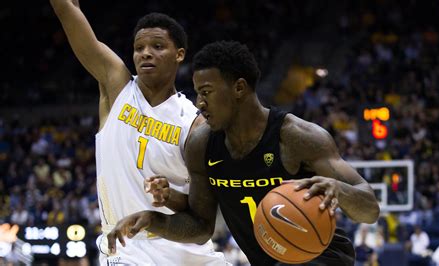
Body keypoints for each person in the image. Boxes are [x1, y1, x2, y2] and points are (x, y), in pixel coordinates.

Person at [108, 41, 380, 265]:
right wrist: (153, 221)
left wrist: (337, 188)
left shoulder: (297, 137)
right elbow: (201, 227)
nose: (199, 103)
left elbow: (370, 210)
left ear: (239, 88)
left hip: (322, 256)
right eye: (197, 94)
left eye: (206, 92)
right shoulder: (201, 144)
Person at [49, 0, 226, 265]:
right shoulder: (116, 86)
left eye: (157, 46)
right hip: (127, 247)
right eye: (139, 48)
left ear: (179, 54)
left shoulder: (194, 124)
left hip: (184, 246)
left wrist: (170, 196)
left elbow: (200, 219)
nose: (145, 53)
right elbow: (67, 10)